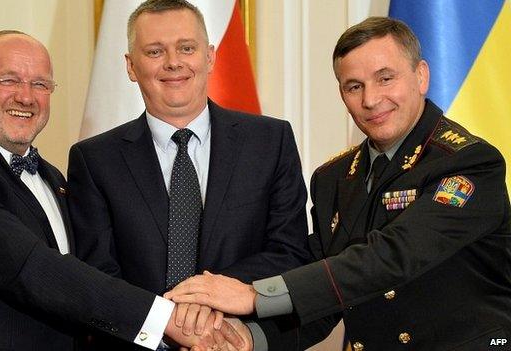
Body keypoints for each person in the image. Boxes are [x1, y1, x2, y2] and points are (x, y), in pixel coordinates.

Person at [166, 16, 511, 350]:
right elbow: (326, 296)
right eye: (354, 86)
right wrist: (250, 339)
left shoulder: (470, 163)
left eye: (385, 78)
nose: (371, 100)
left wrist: (256, 295)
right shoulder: (333, 179)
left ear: (421, 76)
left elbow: (393, 255)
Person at [0, 30, 245, 351]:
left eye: (40, 84)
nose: (26, 96)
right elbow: (33, 269)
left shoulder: (53, 178)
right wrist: (167, 320)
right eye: (9, 80)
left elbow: (91, 273)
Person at [67, 0, 324, 349]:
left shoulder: (270, 141)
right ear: (130, 66)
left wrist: (205, 298)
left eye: (186, 48)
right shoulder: (94, 159)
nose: (173, 62)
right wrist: (165, 321)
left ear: (210, 56)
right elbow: (97, 274)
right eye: (155, 51)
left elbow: (289, 250)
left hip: (235, 341)